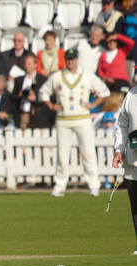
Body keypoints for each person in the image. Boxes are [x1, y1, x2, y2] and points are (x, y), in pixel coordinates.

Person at [39, 48, 110, 197]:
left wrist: (93, 104)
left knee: (88, 152)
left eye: (72, 59)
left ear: (77, 59)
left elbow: (104, 91)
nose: (70, 61)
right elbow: (43, 92)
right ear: (65, 60)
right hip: (63, 120)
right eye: (68, 59)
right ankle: (60, 185)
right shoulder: (57, 76)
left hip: (83, 119)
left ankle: (93, 185)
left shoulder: (87, 76)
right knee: (62, 155)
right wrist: (52, 106)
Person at [112, 86, 137, 255]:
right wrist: (119, 150)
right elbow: (122, 124)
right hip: (133, 160)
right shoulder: (131, 95)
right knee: (135, 205)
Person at [10, 53, 53, 129]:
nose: (27, 66)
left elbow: (50, 99)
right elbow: (12, 98)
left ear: (35, 65)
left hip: (37, 115)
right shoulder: (19, 80)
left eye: (29, 64)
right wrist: (19, 95)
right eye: (25, 64)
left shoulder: (42, 80)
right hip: (22, 114)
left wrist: (35, 99)